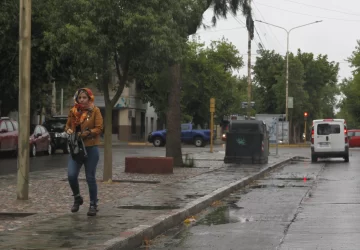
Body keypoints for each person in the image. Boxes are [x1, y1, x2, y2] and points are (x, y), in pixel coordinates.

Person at [65, 88, 103, 216]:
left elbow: (99, 128)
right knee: (71, 175)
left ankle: (93, 204)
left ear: (89, 98)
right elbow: (68, 126)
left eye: (84, 97)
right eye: (80, 97)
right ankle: (77, 198)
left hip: (91, 147)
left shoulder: (95, 111)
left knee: (90, 177)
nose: (81, 100)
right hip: (76, 148)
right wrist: (69, 131)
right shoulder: (73, 111)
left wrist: (87, 133)